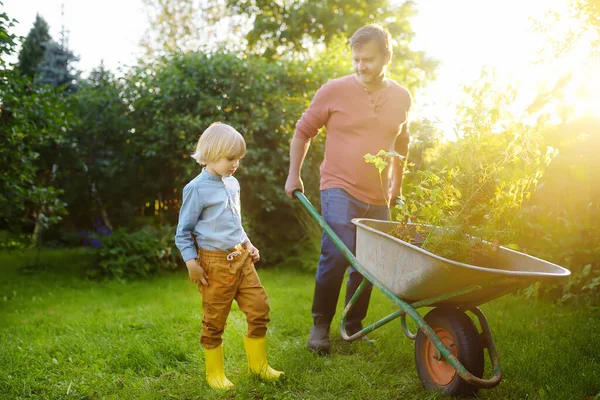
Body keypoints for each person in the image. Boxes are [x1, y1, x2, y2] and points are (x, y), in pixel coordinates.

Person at [285, 24, 412, 355]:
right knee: (337, 252)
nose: (360, 67)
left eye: (367, 59)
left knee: (369, 263)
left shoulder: (402, 97)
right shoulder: (334, 90)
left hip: (378, 195)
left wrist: (397, 184)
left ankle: (353, 326)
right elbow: (303, 132)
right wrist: (293, 175)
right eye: (356, 59)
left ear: (387, 56)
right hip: (338, 186)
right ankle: (320, 326)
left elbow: (403, 141)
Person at [175, 122, 283, 389]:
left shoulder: (232, 184)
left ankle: (258, 366)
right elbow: (183, 232)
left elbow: (235, 222)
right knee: (214, 319)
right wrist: (191, 262)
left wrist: (248, 243)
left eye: (239, 159)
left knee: (259, 308)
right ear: (211, 153)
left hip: (242, 259)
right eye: (230, 158)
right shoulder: (196, 189)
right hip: (214, 264)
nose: (235, 164)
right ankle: (215, 373)